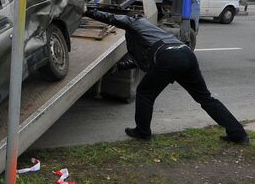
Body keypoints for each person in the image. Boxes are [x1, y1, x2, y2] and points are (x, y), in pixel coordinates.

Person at [85, 8, 249, 145]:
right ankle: (238, 133)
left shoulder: (135, 21)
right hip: (185, 54)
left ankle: (142, 132)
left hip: (168, 58)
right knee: (206, 98)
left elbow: (111, 18)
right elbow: (142, 59)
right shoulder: (153, 31)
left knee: (145, 93)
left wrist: (87, 11)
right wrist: (120, 66)